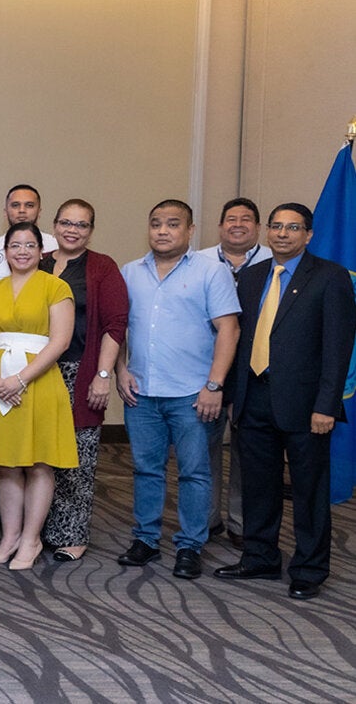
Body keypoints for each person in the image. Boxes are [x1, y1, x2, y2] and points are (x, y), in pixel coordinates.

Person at [216, 203, 356, 600]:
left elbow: (338, 347)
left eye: (292, 228)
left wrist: (327, 405)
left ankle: (310, 569)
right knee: (259, 485)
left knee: (310, 491)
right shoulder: (253, 276)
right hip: (253, 397)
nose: (282, 234)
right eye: (276, 226)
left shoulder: (330, 278)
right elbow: (240, 342)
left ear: (308, 235)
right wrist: (231, 396)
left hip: (307, 405)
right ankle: (260, 557)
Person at [117, 200, 239, 580]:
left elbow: (229, 330)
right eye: (156, 224)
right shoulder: (130, 272)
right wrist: (120, 370)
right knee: (145, 469)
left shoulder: (211, 271)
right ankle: (146, 539)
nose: (163, 231)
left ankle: (190, 545)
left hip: (192, 393)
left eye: (173, 224)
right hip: (142, 392)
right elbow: (117, 328)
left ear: (190, 230)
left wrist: (214, 385)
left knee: (195, 472)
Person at [0, 222, 77, 570]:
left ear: (41, 250)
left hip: (38, 382)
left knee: (39, 463)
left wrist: (19, 379)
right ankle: (9, 538)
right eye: (15, 245)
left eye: (29, 245)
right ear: (5, 250)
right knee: (5, 463)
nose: (22, 251)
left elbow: (60, 341)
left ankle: (31, 539)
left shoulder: (55, 286)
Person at [38, 200, 128, 563]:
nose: (72, 230)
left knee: (76, 456)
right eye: (66, 222)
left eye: (82, 224)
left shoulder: (102, 267)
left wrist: (103, 375)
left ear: (91, 230)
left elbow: (115, 325)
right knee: (38, 456)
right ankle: (38, 530)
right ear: (54, 225)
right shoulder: (38, 261)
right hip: (35, 372)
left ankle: (72, 534)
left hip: (80, 370)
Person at [198, 197, 270, 547]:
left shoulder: (276, 262)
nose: (237, 225)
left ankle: (241, 524)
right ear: (220, 225)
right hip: (208, 369)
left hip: (256, 374)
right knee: (204, 448)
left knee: (248, 452)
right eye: (230, 219)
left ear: (257, 227)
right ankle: (207, 519)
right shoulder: (199, 262)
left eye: (245, 219)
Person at [0, 184, 58, 281]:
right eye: (15, 205)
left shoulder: (55, 245)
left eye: (29, 205)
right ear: (5, 212)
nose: (22, 210)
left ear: (39, 212)